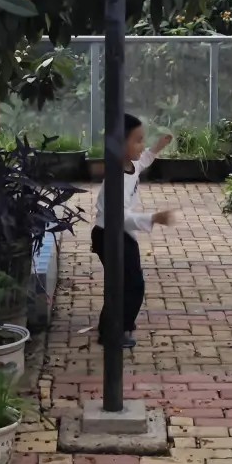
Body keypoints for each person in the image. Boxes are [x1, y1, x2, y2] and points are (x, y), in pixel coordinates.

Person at [91, 115, 172, 349]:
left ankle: (115, 324)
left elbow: (143, 161)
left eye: (143, 139)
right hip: (109, 236)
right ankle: (113, 331)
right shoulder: (116, 179)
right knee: (130, 285)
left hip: (118, 234)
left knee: (123, 283)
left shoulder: (130, 165)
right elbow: (119, 217)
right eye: (137, 140)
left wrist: (157, 148)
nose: (142, 145)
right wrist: (153, 218)